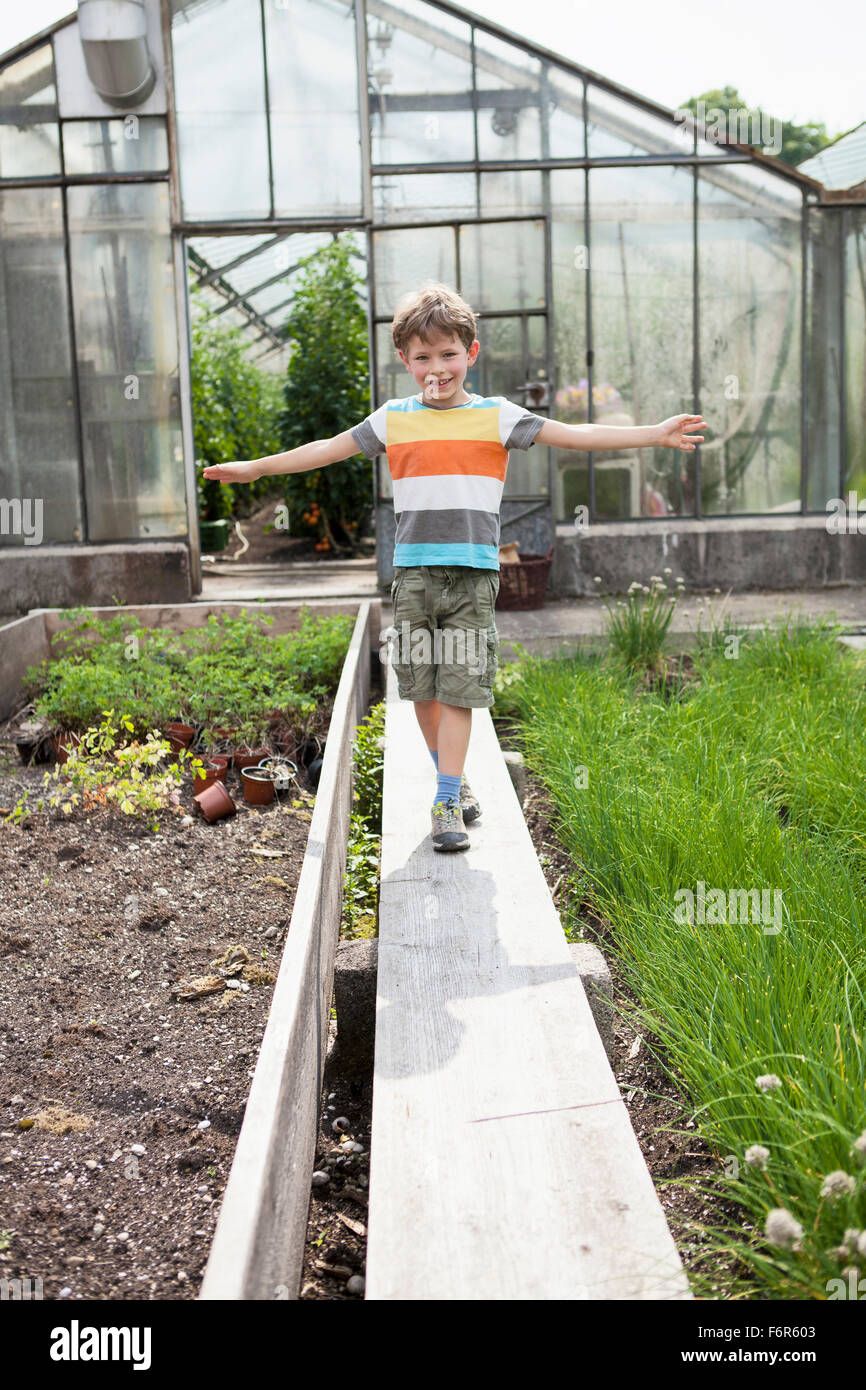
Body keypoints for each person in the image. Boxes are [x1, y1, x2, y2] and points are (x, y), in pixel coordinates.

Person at [203, 281, 706, 853]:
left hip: (471, 578)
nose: (436, 367)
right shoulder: (394, 418)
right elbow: (324, 447)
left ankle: (444, 801)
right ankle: (455, 779)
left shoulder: (496, 416)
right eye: (423, 357)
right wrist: (257, 470)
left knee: (462, 690)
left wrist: (653, 434)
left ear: (470, 353)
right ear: (405, 362)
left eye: (448, 355)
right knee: (422, 690)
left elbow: (576, 435)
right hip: (414, 578)